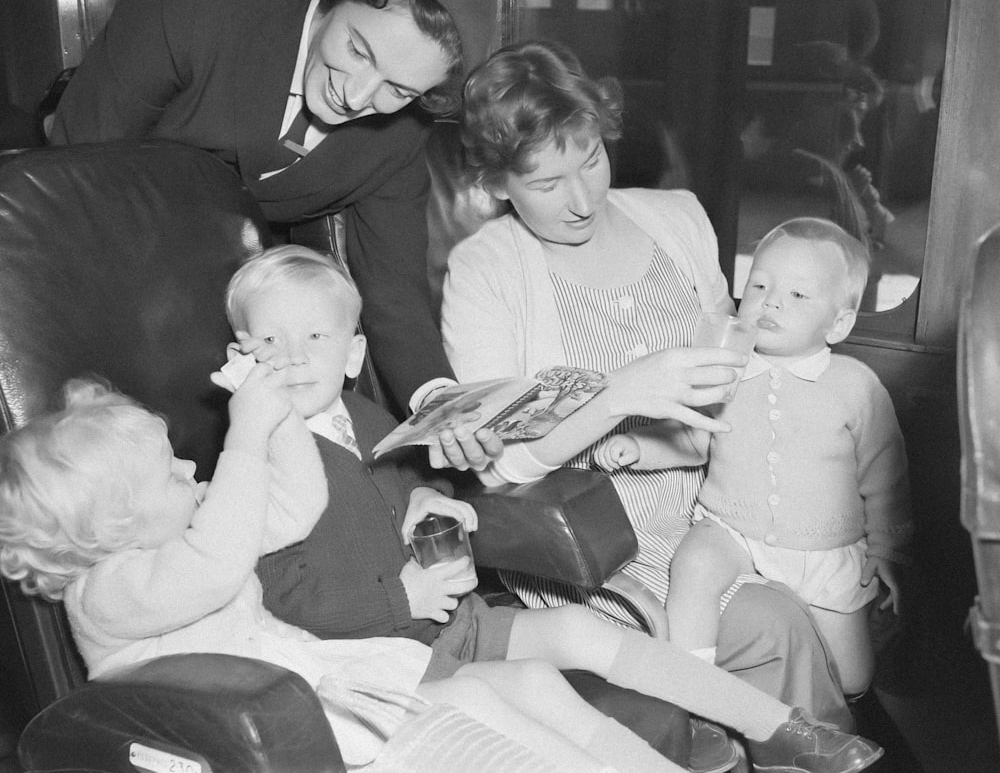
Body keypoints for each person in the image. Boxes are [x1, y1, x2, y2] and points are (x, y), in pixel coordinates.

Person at [219, 243, 884, 773]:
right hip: (374, 652)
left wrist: (433, 500)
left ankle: (784, 730)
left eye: (315, 338)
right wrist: (403, 598)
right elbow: (277, 602)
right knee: (544, 688)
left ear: (353, 352)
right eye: (270, 343)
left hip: (450, 624)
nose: (295, 359)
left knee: (580, 630)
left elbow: (408, 492)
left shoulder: (364, 417)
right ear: (242, 353)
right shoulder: (257, 454)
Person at [439, 39, 857, 730]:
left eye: (592, 160)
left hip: (729, 504)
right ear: (494, 184)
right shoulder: (484, 271)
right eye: (546, 184)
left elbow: (746, 361)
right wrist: (620, 395)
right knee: (778, 619)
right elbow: (502, 465)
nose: (581, 200)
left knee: (838, 598)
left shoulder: (679, 218)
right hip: (601, 544)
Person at [0, 375, 691, 773]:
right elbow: (215, 568)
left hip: (326, 687)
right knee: (473, 722)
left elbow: (297, 508)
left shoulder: (191, 529)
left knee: (529, 683)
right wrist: (242, 437)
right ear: (112, 526)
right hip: (260, 737)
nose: (191, 470)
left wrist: (282, 420)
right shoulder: (106, 593)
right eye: (168, 473)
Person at [48, 0, 469, 414]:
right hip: (101, 268)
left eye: (397, 89)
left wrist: (439, 401)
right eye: (358, 51)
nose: (356, 97)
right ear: (330, 1)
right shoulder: (190, 9)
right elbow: (73, 170)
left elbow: (395, 292)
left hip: (242, 319)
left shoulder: (401, 139)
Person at [595, 218, 912, 697]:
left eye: (799, 296)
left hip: (823, 550)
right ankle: (693, 684)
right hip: (731, 529)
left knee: (853, 679)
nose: (772, 300)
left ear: (840, 322)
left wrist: (887, 547)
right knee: (694, 566)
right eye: (759, 285)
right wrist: (642, 447)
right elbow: (693, 437)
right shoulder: (727, 371)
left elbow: (885, 476)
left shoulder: (856, 386)